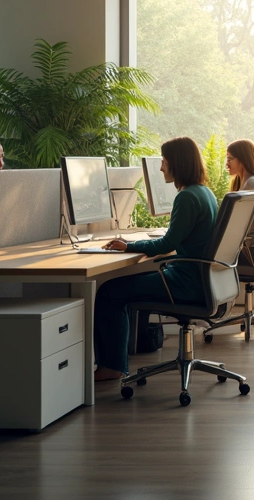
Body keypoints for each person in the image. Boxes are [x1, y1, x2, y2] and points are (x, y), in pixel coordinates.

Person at [93, 137, 217, 381]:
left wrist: (128, 246)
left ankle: (113, 367)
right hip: (203, 280)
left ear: (176, 164)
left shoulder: (187, 197)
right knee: (119, 287)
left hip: (185, 282)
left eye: (164, 162)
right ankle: (116, 362)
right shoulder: (204, 193)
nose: (161, 168)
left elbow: (167, 244)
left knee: (109, 291)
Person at [225, 139, 254, 264]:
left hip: (253, 251)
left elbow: (237, 225)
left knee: (204, 262)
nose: (227, 163)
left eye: (230, 159)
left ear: (242, 160)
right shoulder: (252, 181)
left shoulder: (251, 184)